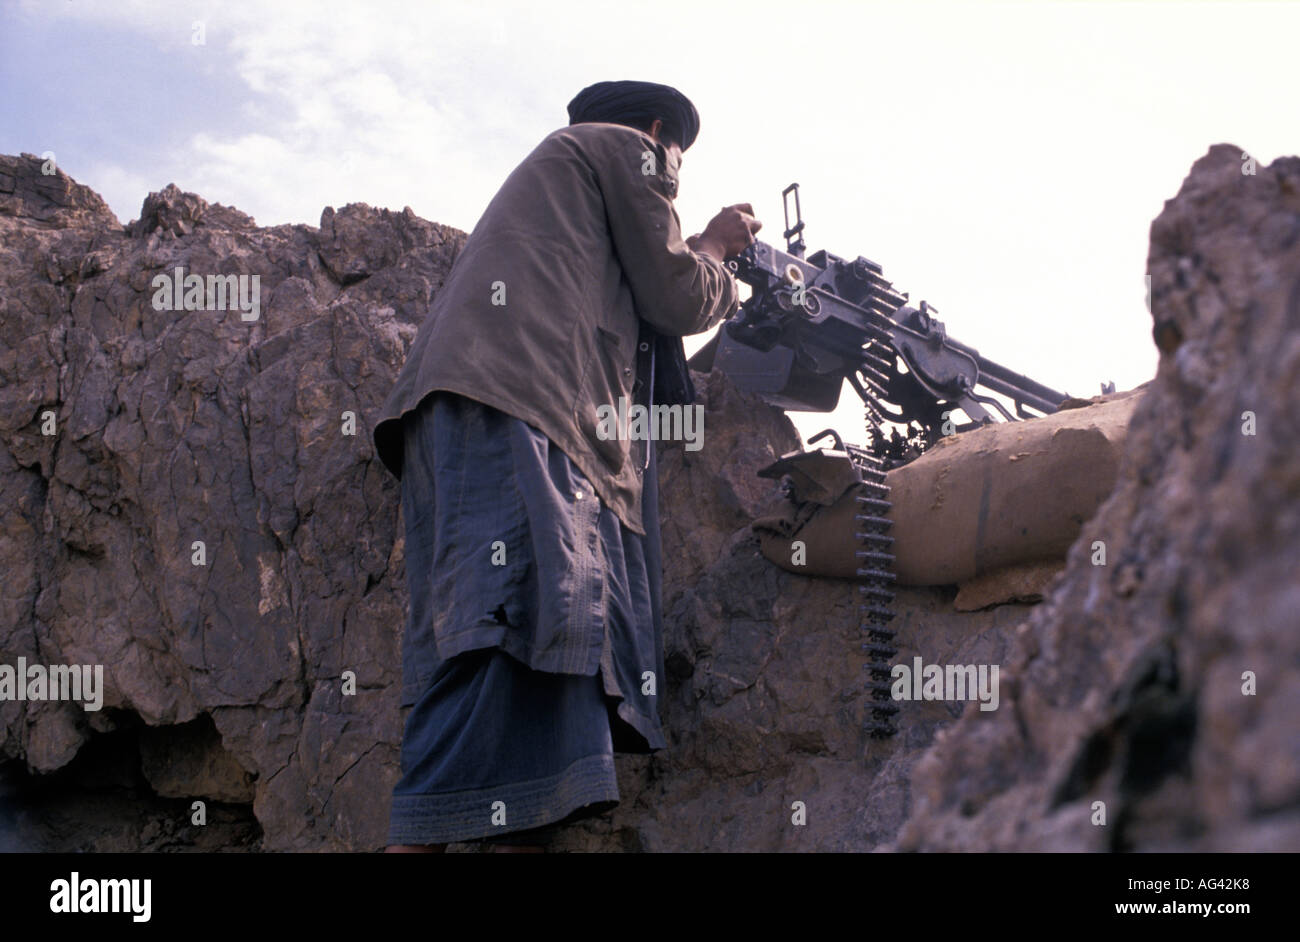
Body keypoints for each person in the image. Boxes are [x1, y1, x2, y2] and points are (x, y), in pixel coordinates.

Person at [370, 80, 761, 852]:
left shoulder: (553, 182)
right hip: (524, 410)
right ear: (658, 131)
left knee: (523, 652)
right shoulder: (628, 150)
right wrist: (717, 248)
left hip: (471, 413)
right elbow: (677, 293)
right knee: (505, 637)